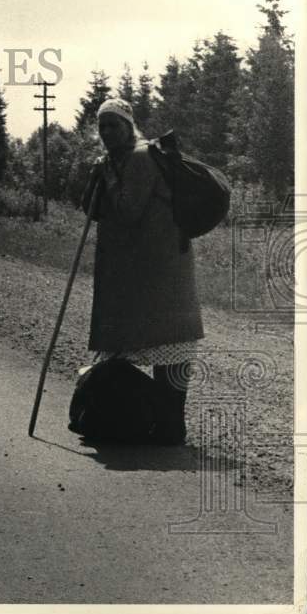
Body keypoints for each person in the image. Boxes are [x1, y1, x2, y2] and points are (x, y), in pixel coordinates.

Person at [80, 98, 204, 445]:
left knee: (170, 343)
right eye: (102, 126)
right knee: (164, 341)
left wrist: (106, 175)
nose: (106, 132)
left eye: (113, 125)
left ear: (129, 127)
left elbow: (128, 209)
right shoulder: (119, 160)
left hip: (160, 271)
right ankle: (159, 424)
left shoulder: (139, 157)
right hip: (145, 270)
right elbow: (91, 209)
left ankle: (169, 427)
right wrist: (98, 176)